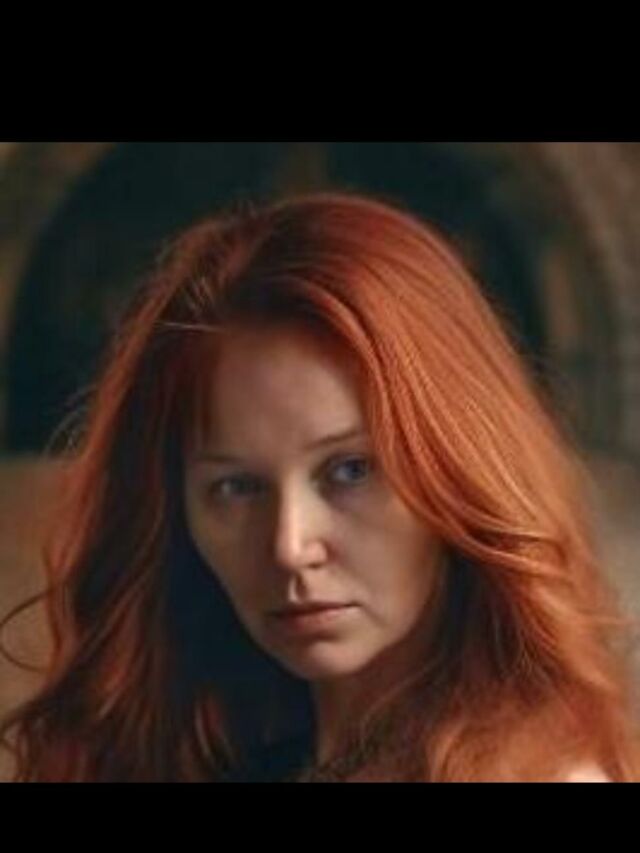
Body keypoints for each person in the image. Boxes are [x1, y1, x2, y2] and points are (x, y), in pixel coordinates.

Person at [0, 191, 638, 782]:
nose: (289, 546)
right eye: (236, 487)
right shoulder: (238, 753)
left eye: (350, 471)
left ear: (459, 470)